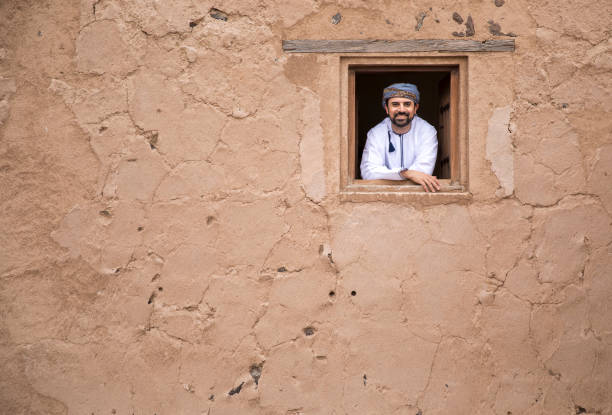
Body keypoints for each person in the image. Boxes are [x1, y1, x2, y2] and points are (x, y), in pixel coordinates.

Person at [360, 83, 441, 192]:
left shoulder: (427, 131)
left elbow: (423, 172)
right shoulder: (376, 133)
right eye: (395, 104)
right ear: (386, 108)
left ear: (415, 108)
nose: (401, 110)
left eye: (407, 104)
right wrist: (405, 173)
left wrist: (389, 175)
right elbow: (368, 172)